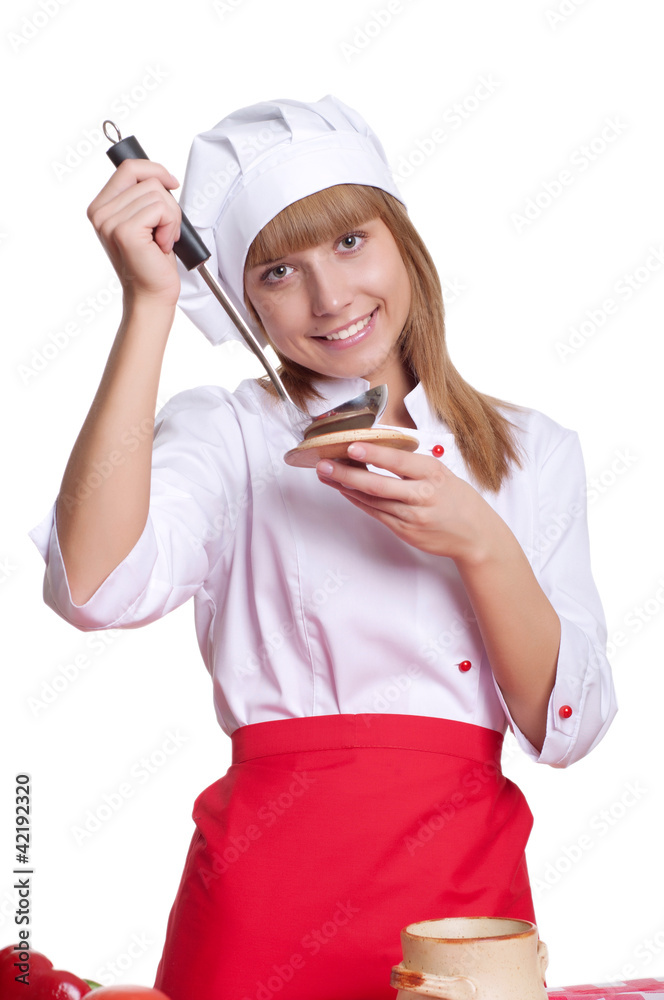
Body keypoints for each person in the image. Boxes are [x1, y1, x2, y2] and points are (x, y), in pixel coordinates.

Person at [29, 95, 617, 1000]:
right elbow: (94, 589)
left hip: (459, 917)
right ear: (243, 301)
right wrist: (147, 306)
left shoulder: (532, 451)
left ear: (402, 239)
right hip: (261, 897)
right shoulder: (229, 436)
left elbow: (564, 729)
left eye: (351, 242)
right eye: (276, 272)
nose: (330, 298)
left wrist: (480, 541)